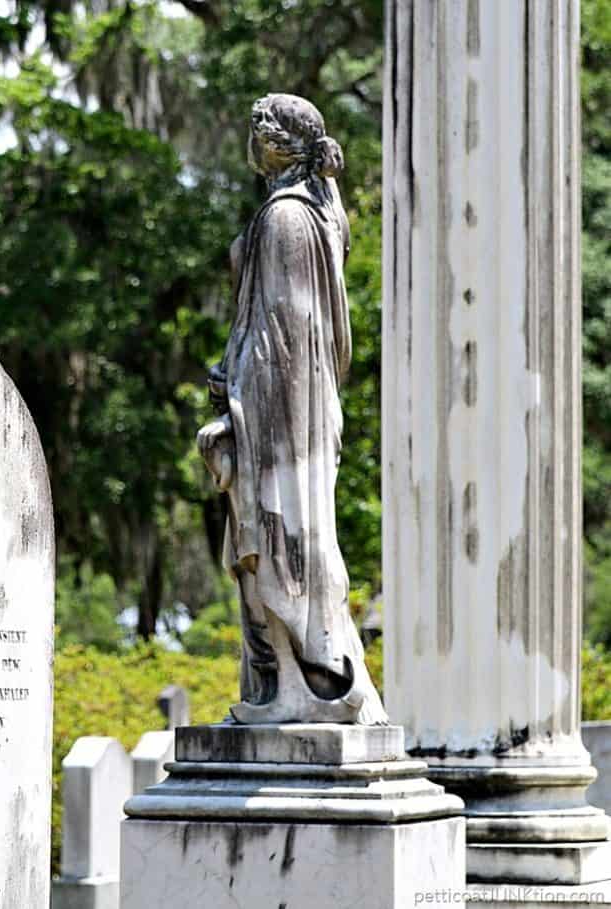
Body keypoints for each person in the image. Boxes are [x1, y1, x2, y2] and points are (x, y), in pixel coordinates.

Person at [198, 93, 387, 725]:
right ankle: (292, 685)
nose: (250, 141)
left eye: (257, 131)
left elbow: (284, 336)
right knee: (289, 545)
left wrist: (234, 395)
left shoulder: (285, 218)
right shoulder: (313, 214)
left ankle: (307, 682)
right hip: (292, 408)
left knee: (279, 545)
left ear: (275, 144)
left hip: (282, 417)